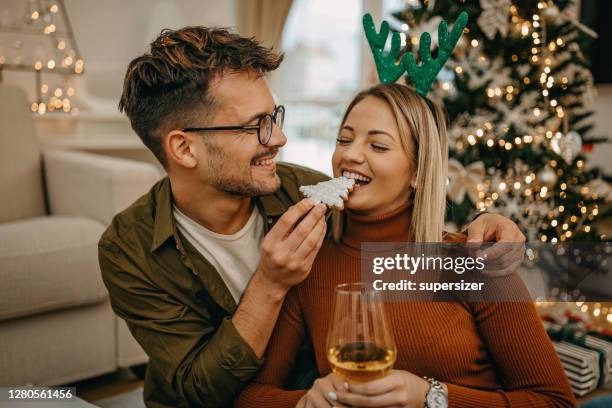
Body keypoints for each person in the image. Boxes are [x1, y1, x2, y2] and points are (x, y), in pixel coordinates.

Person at [98, 26, 526, 407]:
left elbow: (395, 213)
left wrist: (482, 228)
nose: (280, 139)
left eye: (275, 117)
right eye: (256, 126)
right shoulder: (128, 249)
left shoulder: (303, 191)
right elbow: (204, 393)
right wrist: (270, 283)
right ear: (184, 149)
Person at [236, 84, 576, 408]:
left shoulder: (475, 261)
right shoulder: (310, 262)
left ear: (417, 171)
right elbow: (250, 397)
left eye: (379, 146)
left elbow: (554, 400)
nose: (350, 155)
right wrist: (303, 402)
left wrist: (431, 397)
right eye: (344, 139)